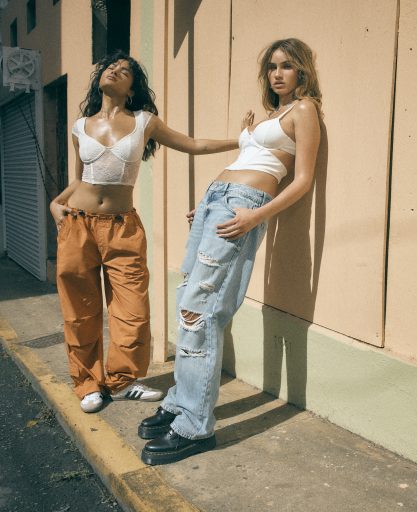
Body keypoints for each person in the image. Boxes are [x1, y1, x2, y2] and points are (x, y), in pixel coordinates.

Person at [138, 38, 322, 465]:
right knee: (188, 304)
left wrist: (256, 217)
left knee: (199, 311)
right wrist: (206, 205)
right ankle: (180, 400)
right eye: (272, 66)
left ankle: (195, 426)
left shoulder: (305, 110)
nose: (277, 74)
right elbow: (247, 160)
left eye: (287, 65)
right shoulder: (270, 116)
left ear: (302, 70)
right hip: (215, 203)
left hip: (243, 206)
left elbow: (302, 180)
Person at [50, 51, 239, 414]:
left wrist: (241, 141)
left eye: (125, 71)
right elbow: (79, 179)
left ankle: (122, 381)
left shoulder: (144, 122)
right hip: (78, 226)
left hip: (122, 227)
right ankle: (88, 383)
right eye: (111, 67)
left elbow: (193, 144)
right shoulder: (80, 126)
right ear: (100, 78)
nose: (115, 71)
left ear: (132, 88)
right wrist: (55, 204)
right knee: (79, 309)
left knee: (132, 309)